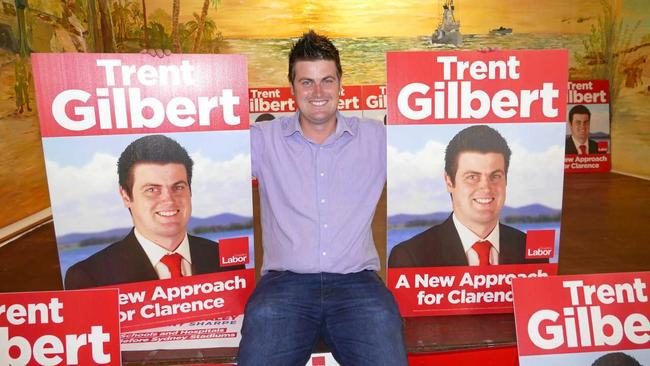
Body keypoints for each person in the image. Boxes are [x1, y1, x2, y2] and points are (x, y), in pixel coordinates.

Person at [237, 31, 407, 366]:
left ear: (341, 83)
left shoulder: (377, 139)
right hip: (283, 288)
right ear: (292, 87)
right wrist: (158, 72)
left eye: (327, 80)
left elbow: (446, 133)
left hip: (358, 286)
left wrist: (476, 69)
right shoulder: (262, 140)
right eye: (307, 82)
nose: (318, 92)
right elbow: (192, 140)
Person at [65, 134, 242, 289]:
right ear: (126, 196)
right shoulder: (89, 277)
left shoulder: (226, 261)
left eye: (178, 187)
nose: (169, 200)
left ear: (190, 190)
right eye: (152, 189)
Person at [389, 125, 548, 268]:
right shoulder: (411, 257)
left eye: (495, 176)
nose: (486, 187)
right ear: (449, 181)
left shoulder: (532, 251)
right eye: (472, 177)